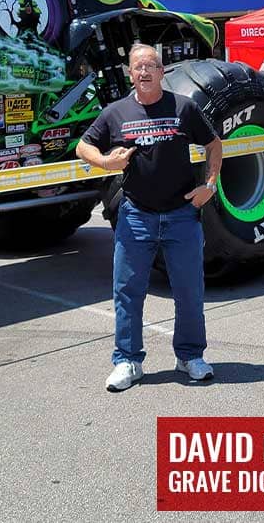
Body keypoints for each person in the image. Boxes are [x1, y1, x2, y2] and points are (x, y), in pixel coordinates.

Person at [76, 43, 223, 392]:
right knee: (128, 291)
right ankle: (127, 361)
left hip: (182, 215)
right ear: (130, 73)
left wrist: (211, 185)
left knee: (189, 290)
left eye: (152, 66)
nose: (145, 72)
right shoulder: (115, 112)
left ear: (161, 71)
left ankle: (190, 356)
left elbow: (214, 144)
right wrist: (105, 163)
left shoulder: (184, 108)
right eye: (139, 66)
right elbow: (83, 146)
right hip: (136, 216)